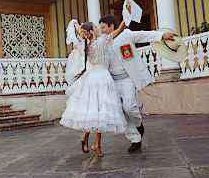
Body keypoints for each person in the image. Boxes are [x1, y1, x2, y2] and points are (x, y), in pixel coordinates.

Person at [99, 14, 175, 153]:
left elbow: (143, 35)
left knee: (129, 107)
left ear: (111, 26)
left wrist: (162, 35)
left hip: (127, 79)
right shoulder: (102, 42)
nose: (101, 30)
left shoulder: (125, 35)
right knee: (120, 111)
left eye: (103, 27)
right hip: (112, 82)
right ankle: (135, 139)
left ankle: (138, 124)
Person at [60, 21, 127, 157]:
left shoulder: (84, 45)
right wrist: (125, 18)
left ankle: (89, 139)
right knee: (99, 112)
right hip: (102, 78)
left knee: (93, 112)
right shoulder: (101, 41)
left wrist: (79, 28)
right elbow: (119, 30)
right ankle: (96, 144)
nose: (98, 28)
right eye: (96, 27)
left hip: (91, 78)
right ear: (92, 31)